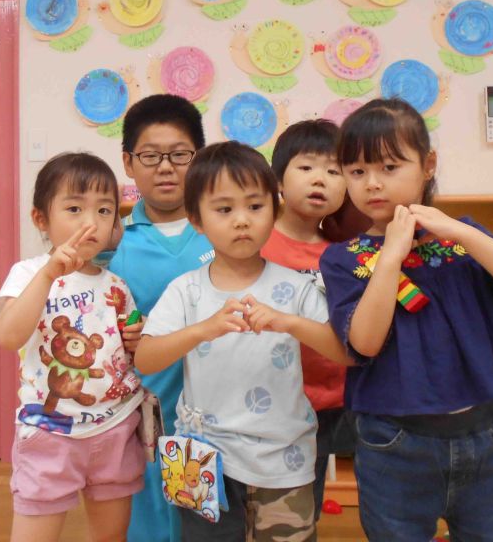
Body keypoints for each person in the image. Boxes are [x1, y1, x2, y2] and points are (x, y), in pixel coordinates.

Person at [321, 98, 493, 541]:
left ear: (427, 165)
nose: (372, 183)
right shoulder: (343, 258)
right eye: (356, 171)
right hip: (392, 441)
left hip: (485, 432)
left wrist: (462, 231)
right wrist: (390, 256)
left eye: (389, 167)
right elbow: (365, 342)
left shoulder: (464, 239)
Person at [136, 141, 350, 542]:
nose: (241, 221)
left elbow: (344, 352)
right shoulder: (185, 290)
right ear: (196, 220)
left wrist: (289, 323)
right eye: (223, 209)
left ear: (275, 210)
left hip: (283, 458)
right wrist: (204, 328)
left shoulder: (296, 287)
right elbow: (146, 359)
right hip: (199, 456)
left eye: (255, 206)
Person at [0, 152, 146, 542]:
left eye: (104, 210)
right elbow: (8, 336)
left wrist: (136, 337)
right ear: (40, 219)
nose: (90, 223)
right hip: (50, 431)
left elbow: (126, 354)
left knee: (111, 536)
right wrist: (49, 274)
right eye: (75, 208)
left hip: (114, 427)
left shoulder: (116, 285)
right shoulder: (28, 273)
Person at [108, 94, 215, 542]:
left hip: (212, 418)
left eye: (180, 155)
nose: (166, 168)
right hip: (142, 418)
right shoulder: (112, 242)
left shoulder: (225, 229)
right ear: (129, 163)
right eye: (151, 156)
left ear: (200, 158)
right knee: (147, 522)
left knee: (200, 522)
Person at [261, 120, 360, 520]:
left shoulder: (346, 252)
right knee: (293, 506)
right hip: (282, 402)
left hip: (345, 396)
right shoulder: (257, 243)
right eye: (306, 167)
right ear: (278, 180)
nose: (320, 179)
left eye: (334, 171)